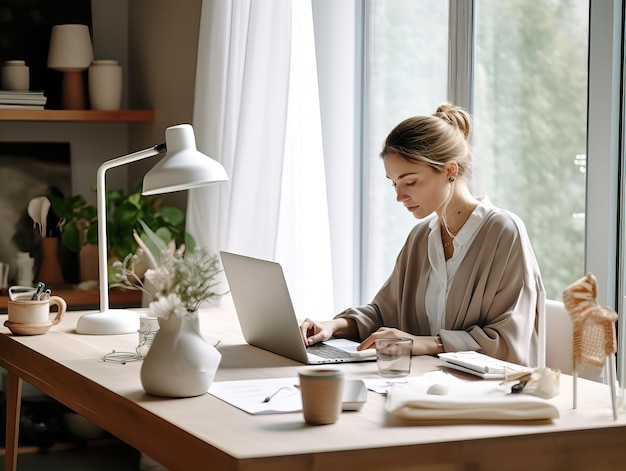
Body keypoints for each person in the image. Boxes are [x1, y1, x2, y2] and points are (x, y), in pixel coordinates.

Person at [299, 103, 544, 367]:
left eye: (410, 182)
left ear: (450, 171)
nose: (399, 196)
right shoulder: (420, 238)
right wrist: (331, 326)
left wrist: (422, 343)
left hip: (491, 394)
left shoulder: (504, 232)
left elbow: (508, 341)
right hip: (424, 383)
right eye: (394, 183)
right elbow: (383, 312)